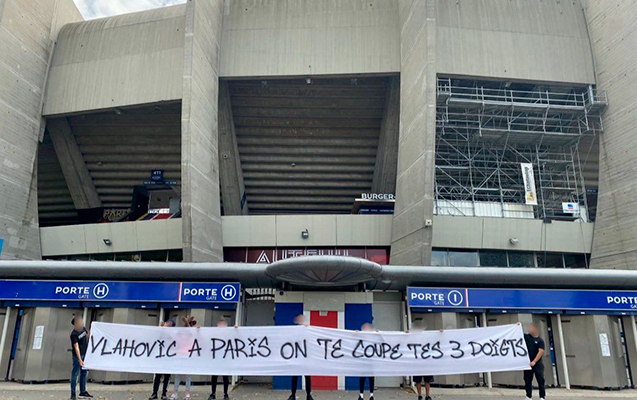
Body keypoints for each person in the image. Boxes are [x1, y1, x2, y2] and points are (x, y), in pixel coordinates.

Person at [407, 321, 442, 400]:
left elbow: (436, 339)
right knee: (418, 381)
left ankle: (427, 395)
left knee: (427, 380)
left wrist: (440, 333)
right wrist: (406, 334)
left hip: (426, 361)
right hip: (417, 362)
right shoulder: (412, 336)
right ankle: (419, 395)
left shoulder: (427, 336)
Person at [171, 316, 199, 400]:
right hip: (180, 355)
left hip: (188, 355)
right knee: (177, 375)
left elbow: (192, 333)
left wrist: (187, 322)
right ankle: (175, 392)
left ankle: (187, 393)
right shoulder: (181, 333)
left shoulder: (193, 333)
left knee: (187, 375)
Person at [209, 319, 238, 400]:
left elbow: (236, 338)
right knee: (214, 377)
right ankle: (213, 393)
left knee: (225, 378)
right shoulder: (214, 334)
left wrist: (236, 330)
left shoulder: (228, 334)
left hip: (225, 359)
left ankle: (225, 394)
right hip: (216, 359)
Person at [288, 314, 313, 400]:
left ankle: (308, 395)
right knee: (295, 377)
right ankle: (293, 394)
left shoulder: (307, 329)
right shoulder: (295, 331)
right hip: (297, 356)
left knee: (307, 377)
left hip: (305, 357)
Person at [149, 319, 175, 400]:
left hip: (168, 358)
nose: (167, 325)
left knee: (167, 377)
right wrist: (161, 328)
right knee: (157, 376)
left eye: (169, 324)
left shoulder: (173, 334)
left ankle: (164, 393)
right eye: (167, 323)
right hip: (160, 357)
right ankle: (154, 393)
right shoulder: (161, 332)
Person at [70, 315, 93, 400]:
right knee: (75, 374)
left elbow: (87, 336)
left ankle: (83, 392)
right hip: (77, 356)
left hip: (85, 354)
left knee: (84, 373)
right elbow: (76, 347)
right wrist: (80, 359)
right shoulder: (74, 334)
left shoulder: (83, 329)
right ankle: (73, 393)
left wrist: (92, 328)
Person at [523, 323, 546, 400]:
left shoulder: (540, 340)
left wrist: (534, 361)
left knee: (540, 380)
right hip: (528, 363)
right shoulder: (527, 337)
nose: (529, 329)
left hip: (537, 364)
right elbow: (519, 334)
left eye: (531, 328)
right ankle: (528, 396)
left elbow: (541, 352)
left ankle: (542, 396)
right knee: (527, 380)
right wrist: (517, 326)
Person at [357, 323, 377, 400]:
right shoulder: (361, 337)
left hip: (370, 360)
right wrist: (355, 333)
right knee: (362, 378)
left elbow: (381, 341)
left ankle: (371, 395)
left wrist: (379, 333)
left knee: (371, 378)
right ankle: (361, 395)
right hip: (363, 360)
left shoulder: (373, 337)